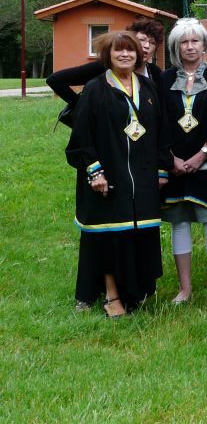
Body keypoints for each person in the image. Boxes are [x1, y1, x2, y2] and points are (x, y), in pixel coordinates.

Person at [66, 31, 171, 317]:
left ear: (138, 54)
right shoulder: (95, 89)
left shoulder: (148, 89)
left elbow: (162, 132)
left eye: (130, 51)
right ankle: (112, 296)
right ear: (107, 56)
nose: (125, 56)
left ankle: (134, 293)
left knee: (137, 236)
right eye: (118, 52)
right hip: (108, 177)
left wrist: (162, 169)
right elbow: (81, 138)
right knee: (111, 237)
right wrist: (94, 172)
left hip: (144, 178)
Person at [159, 19, 207, 304]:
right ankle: (185, 289)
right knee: (179, 224)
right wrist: (171, 159)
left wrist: (204, 153)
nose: (190, 47)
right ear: (175, 47)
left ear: (205, 45)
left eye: (195, 41)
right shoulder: (163, 80)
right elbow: (159, 123)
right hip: (174, 164)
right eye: (184, 42)